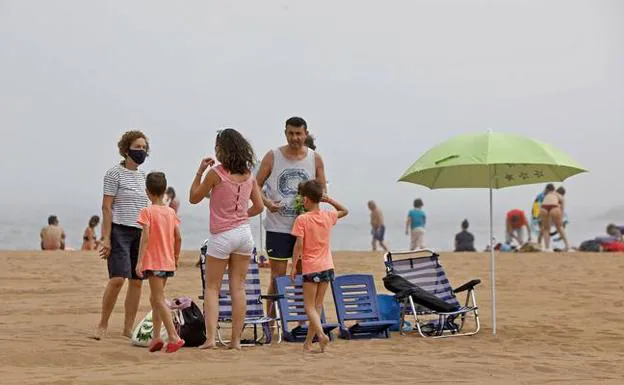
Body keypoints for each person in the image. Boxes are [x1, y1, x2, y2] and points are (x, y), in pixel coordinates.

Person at [189, 128, 264, 350]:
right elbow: (259, 206)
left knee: (212, 288)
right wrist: (241, 216)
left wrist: (199, 172)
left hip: (222, 235)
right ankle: (236, 341)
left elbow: (194, 198)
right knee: (238, 288)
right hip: (244, 234)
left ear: (222, 149)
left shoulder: (216, 173)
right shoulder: (249, 174)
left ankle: (211, 339)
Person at [256, 117, 326, 318]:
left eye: (299, 133)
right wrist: (268, 203)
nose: (295, 138)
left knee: (306, 276)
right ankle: (270, 321)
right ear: (285, 133)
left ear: (306, 134)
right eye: (291, 133)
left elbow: (321, 191)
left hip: (305, 229)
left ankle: (304, 321)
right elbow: (255, 186)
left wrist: (314, 213)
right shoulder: (273, 156)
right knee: (277, 277)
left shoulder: (315, 159)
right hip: (278, 227)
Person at [92, 130, 150, 340]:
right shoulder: (114, 174)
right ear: (126, 149)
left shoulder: (144, 177)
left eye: (144, 148)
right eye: (137, 147)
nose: (141, 151)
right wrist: (106, 237)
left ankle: (128, 327)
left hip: (140, 232)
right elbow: (107, 207)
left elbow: (147, 208)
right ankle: (103, 324)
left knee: (137, 280)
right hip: (119, 230)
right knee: (118, 278)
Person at [289, 180, 348, 353]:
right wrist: (328, 200)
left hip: (311, 266)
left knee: (308, 306)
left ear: (306, 199)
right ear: (319, 198)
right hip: (327, 266)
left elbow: (298, 246)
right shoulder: (328, 216)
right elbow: (345, 211)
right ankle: (308, 342)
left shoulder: (302, 219)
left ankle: (321, 335)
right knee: (317, 306)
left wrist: (293, 266)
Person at [135, 172, 184, 353]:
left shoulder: (147, 212)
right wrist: (176, 258)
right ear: (164, 190)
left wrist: (140, 261)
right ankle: (156, 337)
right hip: (168, 262)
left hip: (154, 262)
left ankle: (173, 336)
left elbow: (145, 237)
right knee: (155, 298)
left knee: (159, 299)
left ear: (148, 192)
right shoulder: (171, 212)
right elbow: (178, 237)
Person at [540, 184, 570, 251]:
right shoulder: (559, 195)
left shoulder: (546, 195)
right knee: (559, 227)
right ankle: (567, 246)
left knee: (546, 229)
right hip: (554, 207)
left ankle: (547, 248)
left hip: (543, 207)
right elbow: (562, 208)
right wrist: (561, 218)